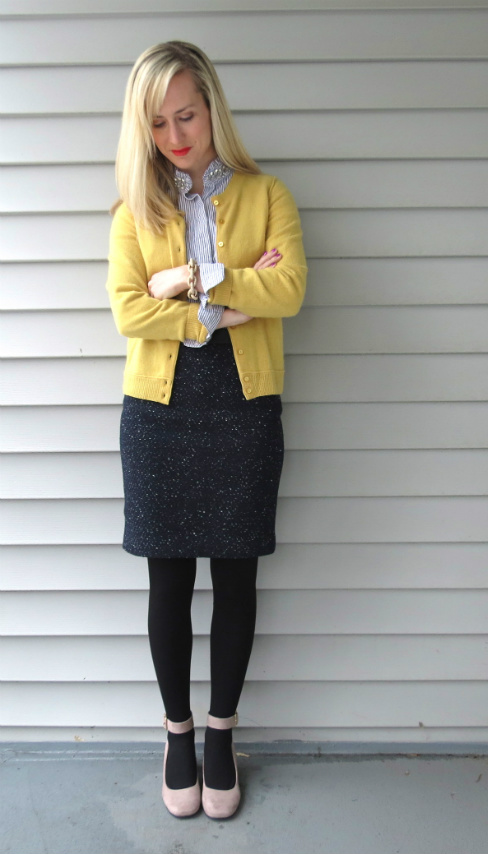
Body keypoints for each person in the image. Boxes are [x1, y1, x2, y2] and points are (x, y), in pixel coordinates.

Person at [106, 40, 306, 819]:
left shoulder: (268, 193)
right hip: (158, 415)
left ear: (213, 106)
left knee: (236, 574)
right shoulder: (135, 209)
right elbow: (128, 309)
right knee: (168, 578)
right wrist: (229, 302)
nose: (175, 134)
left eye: (187, 114)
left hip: (244, 406)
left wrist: (188, 282)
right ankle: (178, 733)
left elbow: (288, 288)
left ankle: (221, 730)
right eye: (157, 122)